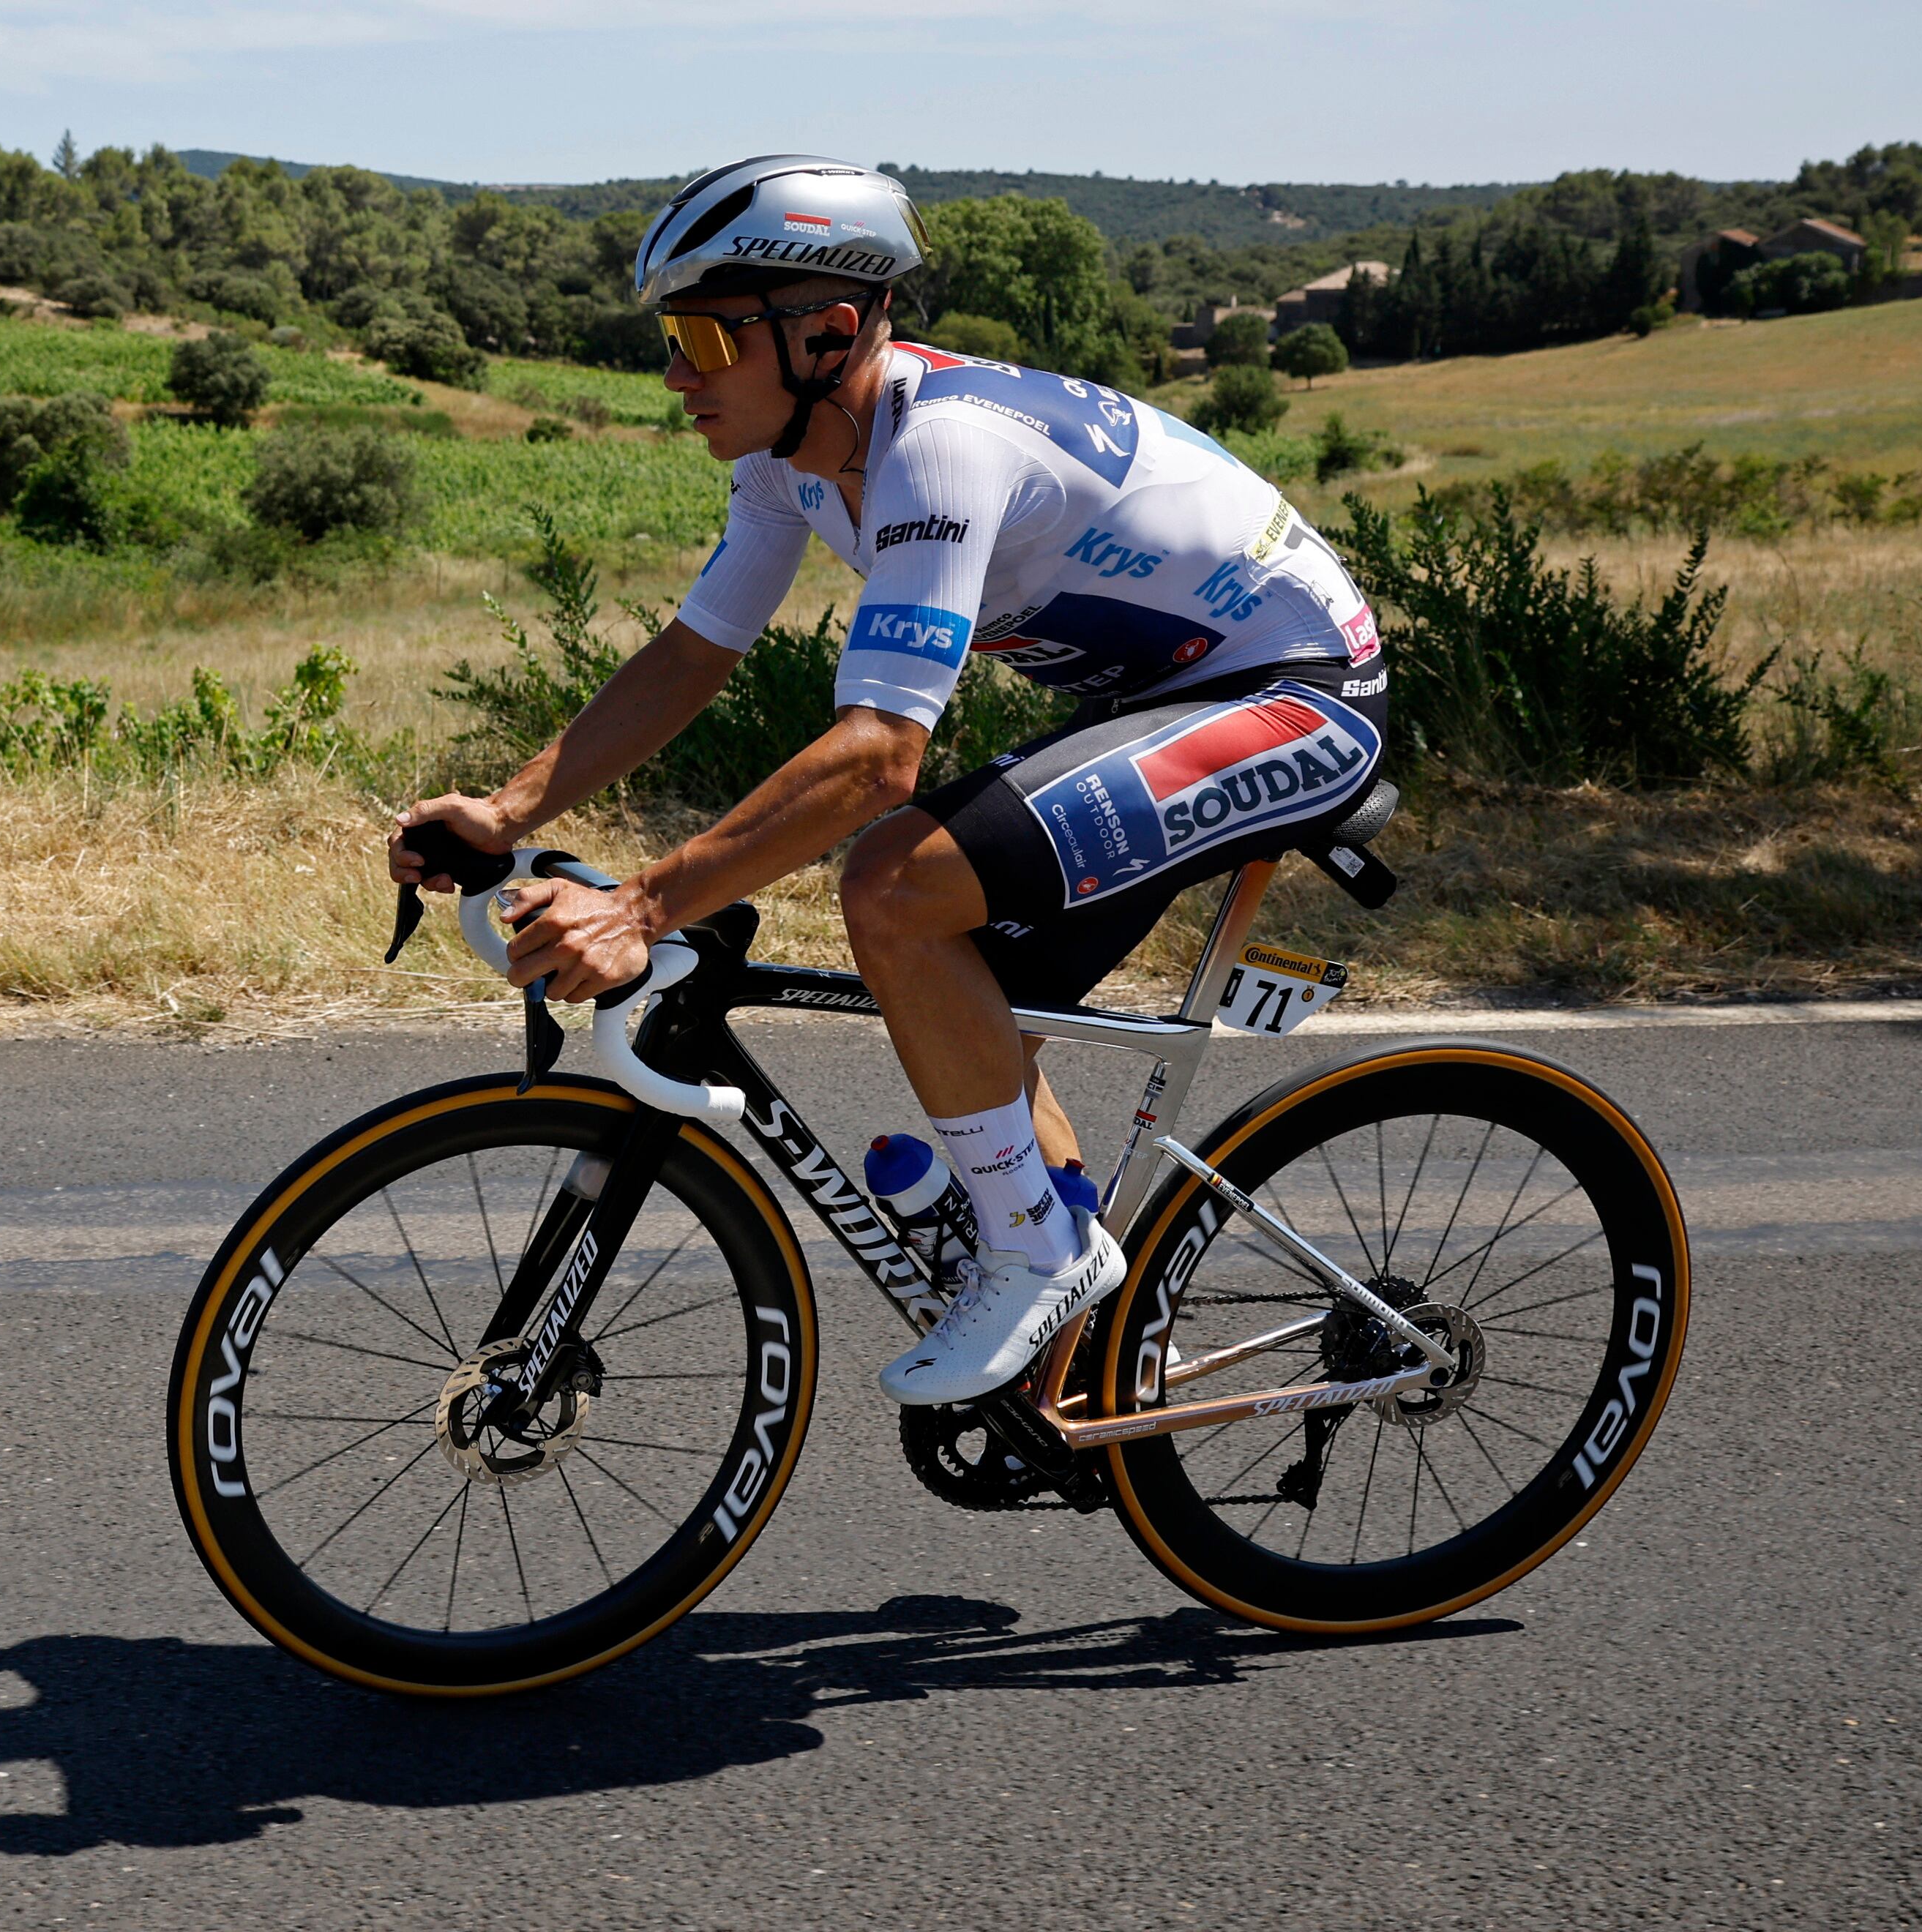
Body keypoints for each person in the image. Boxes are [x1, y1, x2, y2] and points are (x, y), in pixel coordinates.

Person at [392, 154, 1388, 1406]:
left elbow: (877, 757)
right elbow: (692, 656)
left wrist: (641, 908)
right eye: (670, 337)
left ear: (831, 332)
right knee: (967, 997)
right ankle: (1086, 1359)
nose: (675, 374)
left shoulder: (944, 449)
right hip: (1159, 700)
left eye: (703, 335)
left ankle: (1038, 1253)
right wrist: (507, 810)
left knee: (897, 882)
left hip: (1293, 696)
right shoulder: (786, 465)